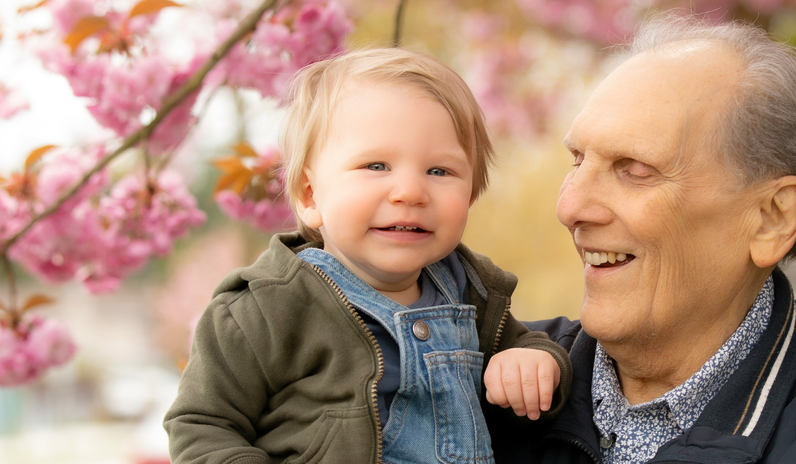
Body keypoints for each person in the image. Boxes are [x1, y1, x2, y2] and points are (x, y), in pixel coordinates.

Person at [491, 14, 796, 463]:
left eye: (634, 170)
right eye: (577, 161)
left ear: (771, 218)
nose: (569, 207)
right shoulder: (480, 380)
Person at [165, 48, 571, 464]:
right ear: (310, 195)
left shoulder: (471, 296)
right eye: (376, 166)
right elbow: (203, 425)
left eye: (439, 171)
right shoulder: (266, 309)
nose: (410, 192)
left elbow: (528, 360)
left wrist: (534, 362)